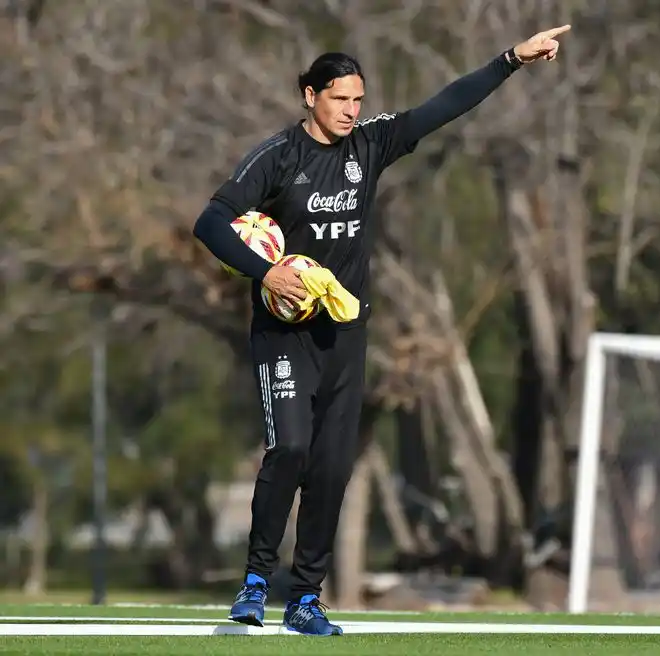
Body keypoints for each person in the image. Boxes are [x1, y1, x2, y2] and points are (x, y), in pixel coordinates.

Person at [192, 24, 571, 637]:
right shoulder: (275, 158)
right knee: (288, 448)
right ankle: (256, 582)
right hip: (284, 337)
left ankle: (305, 599)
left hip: (343, 337)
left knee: (332, 468)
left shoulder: (369, 146)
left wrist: (511, 60)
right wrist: (266, 273)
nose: (351, 110)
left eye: (358, 100)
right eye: (339, 98)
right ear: (309, 95)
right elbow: (209, 224)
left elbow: (441, 108)